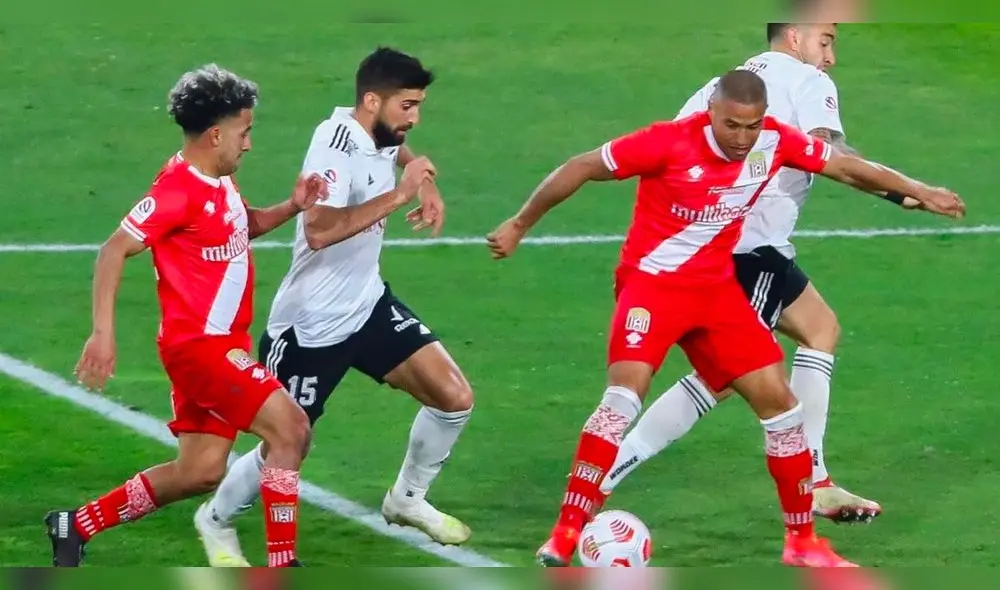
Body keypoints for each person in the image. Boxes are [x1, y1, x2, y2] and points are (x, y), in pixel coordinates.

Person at [487, 69, 964, 567]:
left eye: (751, 126)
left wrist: (920, 190)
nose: (741, 138)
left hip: (716, 294)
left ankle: (801, 543)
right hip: (652, 286)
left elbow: (844, 168)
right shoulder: (667, 142)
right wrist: (520, 224)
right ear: (711, 111)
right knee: (622, 398)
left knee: (782, 407)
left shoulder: (775, 140)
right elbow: (581, 165)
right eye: (732, 125)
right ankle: (566, 531)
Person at [599, 22, 933, 524]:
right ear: (796, 35)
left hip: (700, 246)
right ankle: (606, 474)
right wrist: (900, 188)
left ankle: (816, 479)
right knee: (720, 379)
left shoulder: (726, 86)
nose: (830, 58)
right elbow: (835, 158)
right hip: (743, 248)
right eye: (827, 41)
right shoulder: (806, 81)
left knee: (820, 329)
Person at [193, 47, 474, 567]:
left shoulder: (379, 133)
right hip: (309, 328)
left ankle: (406, 500)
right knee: (289, 444)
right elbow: (319, 231)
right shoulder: (334, 147)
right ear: (373, 100)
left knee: (454, 397)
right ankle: (215, 517)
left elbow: (399, 153)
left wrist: (424, 183)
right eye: (408, 106)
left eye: (418, 106)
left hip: (366, 305)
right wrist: (400, 196)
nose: (414, 118)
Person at [47, 64, 329, 567]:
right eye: (244, 133)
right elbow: (114, 250)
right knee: (291, 431)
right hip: (202, 349)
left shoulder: (218, 182)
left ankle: (77, 524)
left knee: (199, 471)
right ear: (216, 133)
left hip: (220, 346)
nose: (248, 144)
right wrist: (102, 334)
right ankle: (283, 565)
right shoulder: (177, 190)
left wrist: (294, 205)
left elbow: (244, 226)